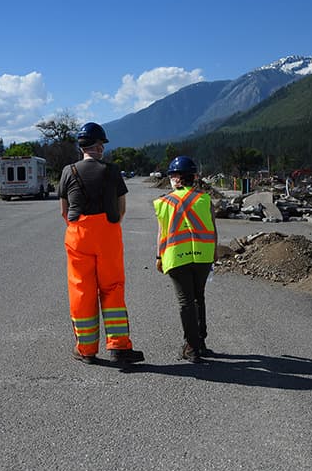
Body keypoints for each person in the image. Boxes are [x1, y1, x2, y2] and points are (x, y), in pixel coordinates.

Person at [58, 122, 145, 365]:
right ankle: (118, 347)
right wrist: (107, 227)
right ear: (99, 146)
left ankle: (85, 349)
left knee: (81, 290)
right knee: (112, 288)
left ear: (81, 147)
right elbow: (121, 208)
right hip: (108, 233)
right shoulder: (112, 170)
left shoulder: (68, 171)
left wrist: (80, 228)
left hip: (77, 234)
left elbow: (64, 211)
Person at [153, 155, 218, 363]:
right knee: (199, 297)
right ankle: (200, 342)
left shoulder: (165, 202)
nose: (171, 179)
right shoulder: (205, 199)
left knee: (185, 302)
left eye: (172, 175)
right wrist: (214, 252)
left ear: (177, 178)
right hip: (203, 256)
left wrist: (158, 256)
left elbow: (161, 233)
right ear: (194, 177)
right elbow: (213, 228)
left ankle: (191, 347)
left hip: (177, 256)